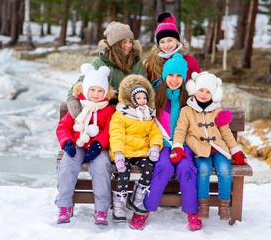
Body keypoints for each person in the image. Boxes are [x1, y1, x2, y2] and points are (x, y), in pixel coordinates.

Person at [128, 53, 201, 231]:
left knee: (187, 169)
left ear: (184, 78)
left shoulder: (189, 98)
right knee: (162, 168)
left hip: (183, 145)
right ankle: (143, 210)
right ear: (164, 76)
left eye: (178, 76)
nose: (174, 80)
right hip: (161, 144)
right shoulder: (155, 95)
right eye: (171, 75)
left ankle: (192, 213)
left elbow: (210, 107)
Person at [172, 71, 247, 221]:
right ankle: (203, 205)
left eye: (208, 92)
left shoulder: (217, 111)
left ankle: (224, 205)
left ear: (214, 94)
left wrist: (236, 151)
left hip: (218, 149)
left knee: (225, 171)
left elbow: (226, 133)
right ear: (194, 90)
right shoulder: (187, 111)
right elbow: (180, 130)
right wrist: (178, 146)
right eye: (201, 90)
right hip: (200, 149)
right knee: (204, 170)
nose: (204, 94)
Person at [55, 64, 115, 225]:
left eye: (100, 91)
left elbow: (110, 130)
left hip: (97, 147)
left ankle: (101, 209)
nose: (96, 94)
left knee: (102, 166)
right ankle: (64, 206)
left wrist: (98, 144)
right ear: (86, 90)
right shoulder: (78, 107)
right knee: (67, 165)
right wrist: (66, 141)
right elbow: (63, 127)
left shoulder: (108, 110)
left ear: (105, 92)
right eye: (92, 90)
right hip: (77, 144)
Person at [108, 74, 163, 224]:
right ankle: (119, 204)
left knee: (149, 167)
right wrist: (118, 153)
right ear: (132, 100)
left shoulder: (148, 115)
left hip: (140, 151)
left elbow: (155, 132)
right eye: (138, 98)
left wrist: (155, 147)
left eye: (144, 98)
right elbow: (116, 134)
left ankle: (137, 198)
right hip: (123, 151)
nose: (142, 101)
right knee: (123, 171)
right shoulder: (120, 115)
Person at [66, 21, 148, 119]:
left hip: (130, 112)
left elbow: (146, 86)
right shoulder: (100, 62)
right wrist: (72, 99)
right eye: (124, 42)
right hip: (104, 112)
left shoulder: (136, 62)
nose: (129, 45)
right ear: (115, 44)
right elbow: (81, 83)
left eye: (130, 41)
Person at [142, 12, 201, 83]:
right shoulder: (152, 63)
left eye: (170, 40)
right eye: (162, 42)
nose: (166, 45)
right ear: (158, 44)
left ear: (177, 41)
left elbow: (199, 85)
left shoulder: (190, 62)